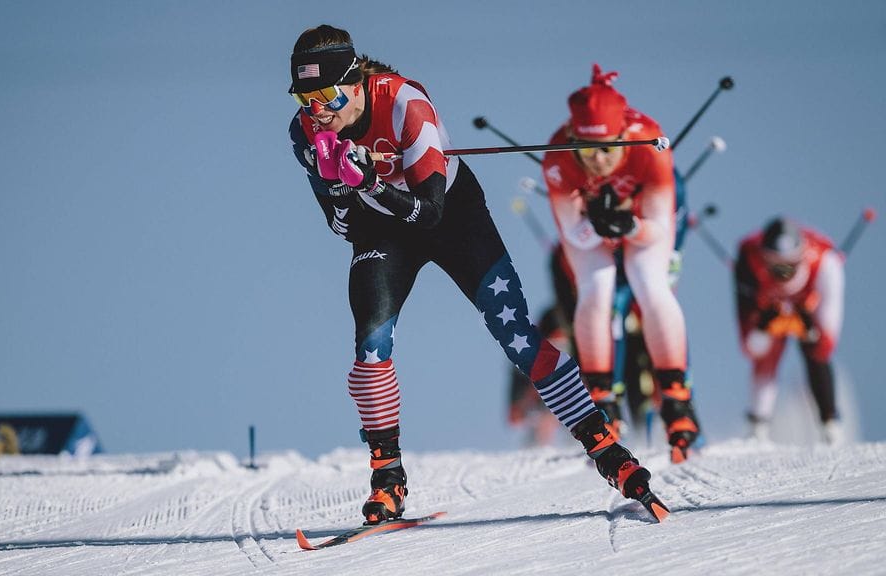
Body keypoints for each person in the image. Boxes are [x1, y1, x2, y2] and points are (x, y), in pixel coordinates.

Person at [287, 26, 664, 524]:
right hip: (383, 231)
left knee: (517, 337)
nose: (319, 109)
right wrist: (338, 189)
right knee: (370, 346)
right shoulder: (306, 133)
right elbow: (342, 228)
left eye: (328, 95)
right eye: (305, 97)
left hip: (451, 217)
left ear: (356, 82)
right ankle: (387, 478)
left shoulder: (406, 106)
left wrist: (371, 181)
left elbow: (430, 214)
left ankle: (608, 450)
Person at [541, 64, 701, 463]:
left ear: (622, 138)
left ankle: (676, 397)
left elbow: (659, 229)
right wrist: (597, 224)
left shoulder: (649, 144)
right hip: (592, 228)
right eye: (585, 149)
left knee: (650, 284)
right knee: (596, 288)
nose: (596, 161)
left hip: (645, 218)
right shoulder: (557, 157)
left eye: (607, 150)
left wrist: (628, 223)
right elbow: (572, 234)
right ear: (573, 139)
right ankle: (601, 397)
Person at [735, 217, 845, 444]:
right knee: (768, 352)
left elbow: (826, 345)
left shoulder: (826, 263)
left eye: (790, 265)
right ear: (764, 258)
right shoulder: (748, 260)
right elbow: (750, 347)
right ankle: (758, 424)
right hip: (767, 306)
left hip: (810, 305)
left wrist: (810, 327)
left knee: (815, 353)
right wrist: (763, 324)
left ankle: (830, 423)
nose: (784, 273)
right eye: (775, 266)